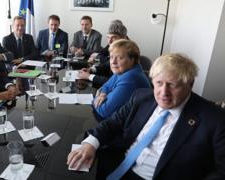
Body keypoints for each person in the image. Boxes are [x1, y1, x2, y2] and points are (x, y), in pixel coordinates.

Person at [67, 53, 225, 180]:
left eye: (172, 85)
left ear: (189, 84)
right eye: (159, 83)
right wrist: (90, 143)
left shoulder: (215, 119)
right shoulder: (141, 97)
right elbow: (113, 123)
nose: (163, 93)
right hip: (117, 164)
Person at [91, 39, 150, 120]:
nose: (113, 62)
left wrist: (95, 98)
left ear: (132, 59)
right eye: (111, 57)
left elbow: (104, 110)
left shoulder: (131, 78)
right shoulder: (123, 70)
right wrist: (102, 94)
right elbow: (106, 86)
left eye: (119, 58)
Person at [78, 20, 128, 88]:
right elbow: (107, 65)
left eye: (114, 38)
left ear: (123, 38)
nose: (110, 41)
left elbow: (113, 82)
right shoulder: (116, 49)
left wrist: (89, 76)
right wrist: (91, 69)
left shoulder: (126, 53)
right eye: (108, 37)